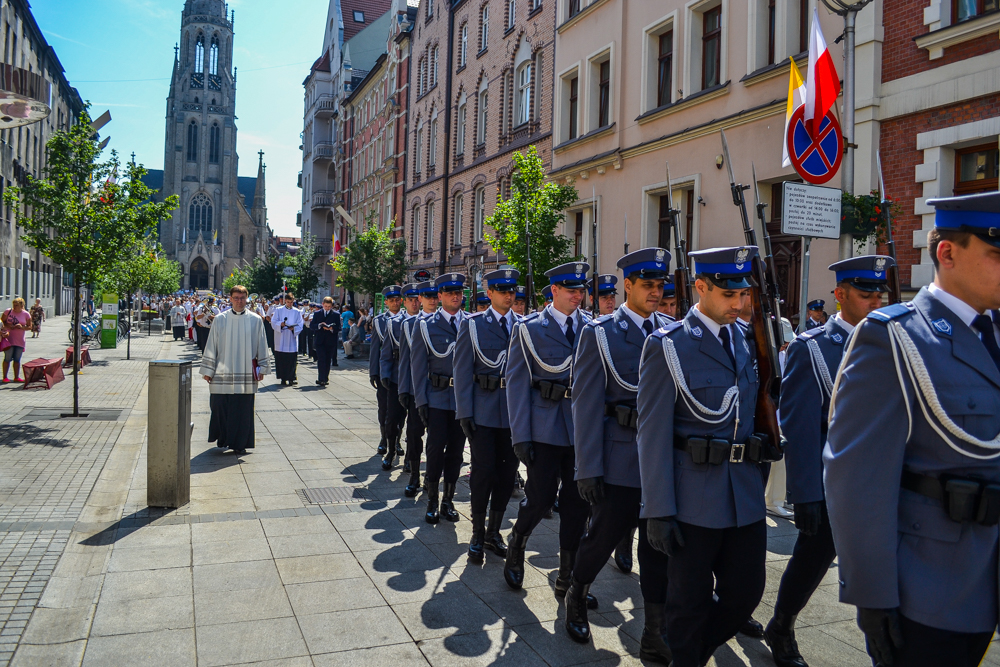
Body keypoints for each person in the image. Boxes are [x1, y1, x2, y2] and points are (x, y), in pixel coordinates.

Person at [825, 192, 1000, 667]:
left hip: (987, 578)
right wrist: (872, 594)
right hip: (928, 584)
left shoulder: (994, 335)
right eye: (996, 255)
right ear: (948, 253)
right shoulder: (894, 336)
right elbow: (856, 477)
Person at [637, 246, 768, 667]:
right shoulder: (669, 345)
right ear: (700, 287)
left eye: (743, 295)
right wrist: (657, 509)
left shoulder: (748, 340)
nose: (739, 303)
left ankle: (689, 654)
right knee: (687, 602)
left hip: (743, 494)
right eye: (729, 295)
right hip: (691, 496)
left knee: (746, 592)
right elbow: (652, 432)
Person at [764, 254, 895, 667]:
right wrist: (805, 493)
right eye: (864, 293)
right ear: (840, 295)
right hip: (832, 482)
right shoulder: (814, 348)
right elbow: (801, 426)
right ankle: (782, 625)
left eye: (881, 293)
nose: (875, 301)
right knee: (813, 559)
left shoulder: (898, 342)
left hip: (883, 482)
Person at [565, 250, 674, 661]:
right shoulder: (601, 333)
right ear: (626, 285)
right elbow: (587, 405)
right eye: (647, 285)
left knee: (657, 548)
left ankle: (654, 631)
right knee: (602, 537)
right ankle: (577, 590)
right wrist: (587, 468)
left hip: (661, 462)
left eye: (659, 285)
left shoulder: (671, 330)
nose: (655, 292)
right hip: (620, 457)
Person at [503, 262, 597, 610]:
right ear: (554, 290)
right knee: (540, 500)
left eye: (581, 289)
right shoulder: (530, 329)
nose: (578, 295)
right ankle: (517, 541)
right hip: (544, 429)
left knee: (578, 505)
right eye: (571, 289)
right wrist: (520, 435)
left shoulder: (592, 328)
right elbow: (516, 385)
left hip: (582, 432)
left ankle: (568, 576)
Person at [454, 269, 521, 563]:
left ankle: (495, 531)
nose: (509, 295)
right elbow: (462, 370)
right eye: (502, 290)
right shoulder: (473, 325)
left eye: (512, 291)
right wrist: (465, 411)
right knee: (483, 474)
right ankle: (478, 532)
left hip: (514, 414)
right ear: (490, 293)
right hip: (483, 412)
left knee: (507, 475)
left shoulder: (523, 325)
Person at [410, 273, 467, 523]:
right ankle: (432, 499)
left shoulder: (471, 323)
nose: (456, 296)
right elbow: (418, 367)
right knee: (435, 449)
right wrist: (421, 401)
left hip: (462, 399)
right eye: (450, 293)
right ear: (440, 296)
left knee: (456, 452)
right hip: (437, 397)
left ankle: (448, 500)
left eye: (459, 292)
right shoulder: (426, 325)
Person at [200, 285, 271, 455]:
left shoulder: (256, 320)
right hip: (221, 371)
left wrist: (262, 367)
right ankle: (223, 438)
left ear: (247, 299)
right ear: (230, 299)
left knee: (242, 408)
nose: (239, 301)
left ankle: (240, 443)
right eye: (236, 298)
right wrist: (208, 370)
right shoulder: (220, 319)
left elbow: (262, 344)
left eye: (242, 298)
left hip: (245, 372)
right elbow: (211, 345)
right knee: (219, 406)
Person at [399, 281, 438, 493]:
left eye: (435, 296)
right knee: (414, 434)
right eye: (427, 296)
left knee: (437, 439)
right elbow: (406, 360)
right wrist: (404, 389)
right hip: (417, 389)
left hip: (441, 391)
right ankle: (414, 474)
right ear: (420, 299)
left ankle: (431, 476)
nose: (432, 300)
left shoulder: (449, 322)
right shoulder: (411, 324)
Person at [380, 284, 419, 470]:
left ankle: (410, 460)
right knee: (392, 419)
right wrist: (385, 374)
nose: (414, 303)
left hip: (418, 380)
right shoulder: (395, 323)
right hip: (397, 377)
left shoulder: (426, 321)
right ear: (404, 302)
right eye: (410, 299)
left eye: (417, 299)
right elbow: (386, 352)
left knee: (414, 424)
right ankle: (391, 450)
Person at [371, 288, 403, 457]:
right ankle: (384, 438)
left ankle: (396, 440)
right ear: (386, 302)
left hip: (401, 371)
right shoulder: (379, 321)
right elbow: (375, 348)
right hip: (385, 371)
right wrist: (373, 372)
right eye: (391, 300)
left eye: (398, 300)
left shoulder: (407, 319)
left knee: (401, 410)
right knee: (383, 408)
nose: (395, 303)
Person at [271, 293, 303, 386]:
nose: (290, 304)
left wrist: (294, 328)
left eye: (291, 302)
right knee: (281, 359)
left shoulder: (297, 311)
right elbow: (273, 322)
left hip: (291, 338)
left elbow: (300, 324)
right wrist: (280, 324)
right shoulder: (278, 310)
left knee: (291, 359)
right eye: (288, 302)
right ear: (285, 301)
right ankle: (283, 378)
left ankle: (291, 377)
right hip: (281, 337)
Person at [312, 296, 342, 385]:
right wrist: (320, 325)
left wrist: (332, 328)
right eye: (326, 306)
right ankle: (321, 378)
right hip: (320, 340)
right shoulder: (317, 313)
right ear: (322, 304)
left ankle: (325, 378)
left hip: (330, 341)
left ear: (332, 306)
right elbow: (312, 326)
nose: (327, 308)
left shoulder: (336, 314)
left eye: (329, 306)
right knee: (321, 359)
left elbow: (339, 327)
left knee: (328, 359)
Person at [1, 298, 31, 383]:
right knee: (7, 358)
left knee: (17, 359)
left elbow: (30, 327)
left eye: (16, 305)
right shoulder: (8, 311)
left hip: (20, 340)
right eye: (13, 304)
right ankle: (5, 377)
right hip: (8, 339)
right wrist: (8, 325)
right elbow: (1, 321)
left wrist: (21, 327)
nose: (14, 307)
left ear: (22, 305)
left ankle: (16, 377)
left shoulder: (26, 314)